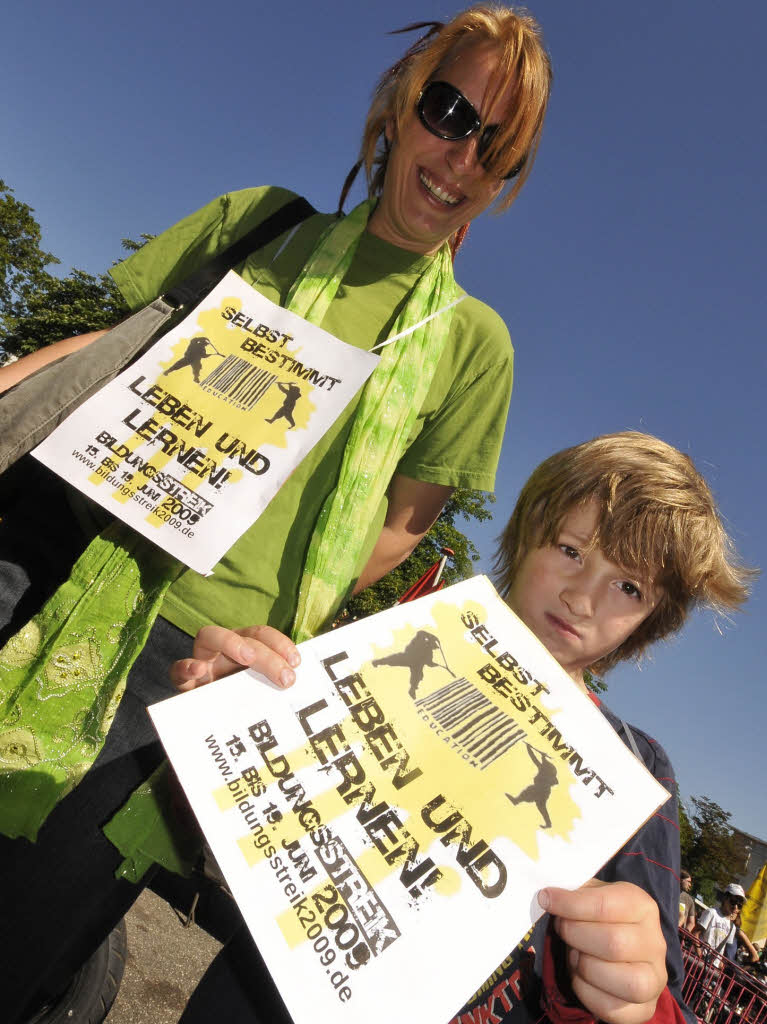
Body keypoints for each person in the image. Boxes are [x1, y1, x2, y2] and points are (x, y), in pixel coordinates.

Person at [0, 7, 552, 1022]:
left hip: (193, 673)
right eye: (448, 109)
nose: (458, 155)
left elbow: (408, 520)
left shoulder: (476, 347)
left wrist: (281, 630)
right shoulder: (263, 221)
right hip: (58, 572)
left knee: (23, 934)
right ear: (399, 101)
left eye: (496, 146)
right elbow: (99, 356)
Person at [168, 431, 755, 1024]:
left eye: (628, 587)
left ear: (652, 619)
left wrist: (635, 996)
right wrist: (226, 712)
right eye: (572, 551)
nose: (582, 597)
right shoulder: (388, 647)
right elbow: (232, 831)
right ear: (527, 536)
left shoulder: (635, 770)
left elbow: (663, 996)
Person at [694, 884, 758, 963]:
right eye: (733, 902)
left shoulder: (732, 927)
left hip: (713, 966)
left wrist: (720, 963)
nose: (735, 907)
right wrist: (699, 953)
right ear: (725, 898)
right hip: (699, 960)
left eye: (739, 905)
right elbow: (696, 933)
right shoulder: (712, 913)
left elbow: (723, 948)